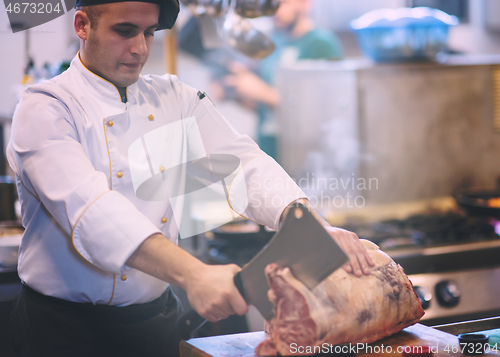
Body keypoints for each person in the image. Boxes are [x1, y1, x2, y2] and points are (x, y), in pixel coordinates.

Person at [6, 0, 372, 356]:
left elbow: (243, 164)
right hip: (62, 333)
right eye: (125, 31)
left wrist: (307, 223)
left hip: (155, 326)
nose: (140, 48)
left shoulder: (173, 98)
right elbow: (91, 210)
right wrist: (192, 275)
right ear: (82, 25)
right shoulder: (45, 107)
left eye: (149, 33)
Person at [222, 0, 344, 160]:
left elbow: (324, 110)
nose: (274, 10)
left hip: (306, 155)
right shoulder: (271, 43)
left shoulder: (320, 44)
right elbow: (263, 107)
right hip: (269, 149)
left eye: (283, 3)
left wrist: (261, 91)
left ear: (304, 3)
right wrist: (237, 91)